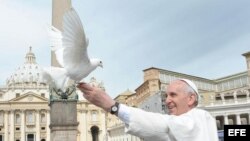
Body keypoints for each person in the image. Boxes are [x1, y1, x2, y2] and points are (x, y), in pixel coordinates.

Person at [77, 79, 219, 141]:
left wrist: (113, 107)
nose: (167, 100)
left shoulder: (201, 117)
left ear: (191, 98)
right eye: (166, 95)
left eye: (173, 95)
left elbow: (164, 126)